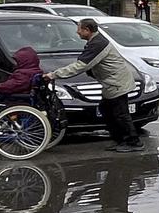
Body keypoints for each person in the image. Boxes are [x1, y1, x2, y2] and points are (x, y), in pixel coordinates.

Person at [47, 17, 143, 152]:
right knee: (106, 109)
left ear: (87, 30)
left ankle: (133, 142)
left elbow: (81, 65)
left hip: (117, 83)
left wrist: (54, 75)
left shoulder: (97, 44)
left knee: (121, 114)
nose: (77, 32)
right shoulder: (95, 41)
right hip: (113, 82)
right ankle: (121, 139)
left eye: (79, 29)